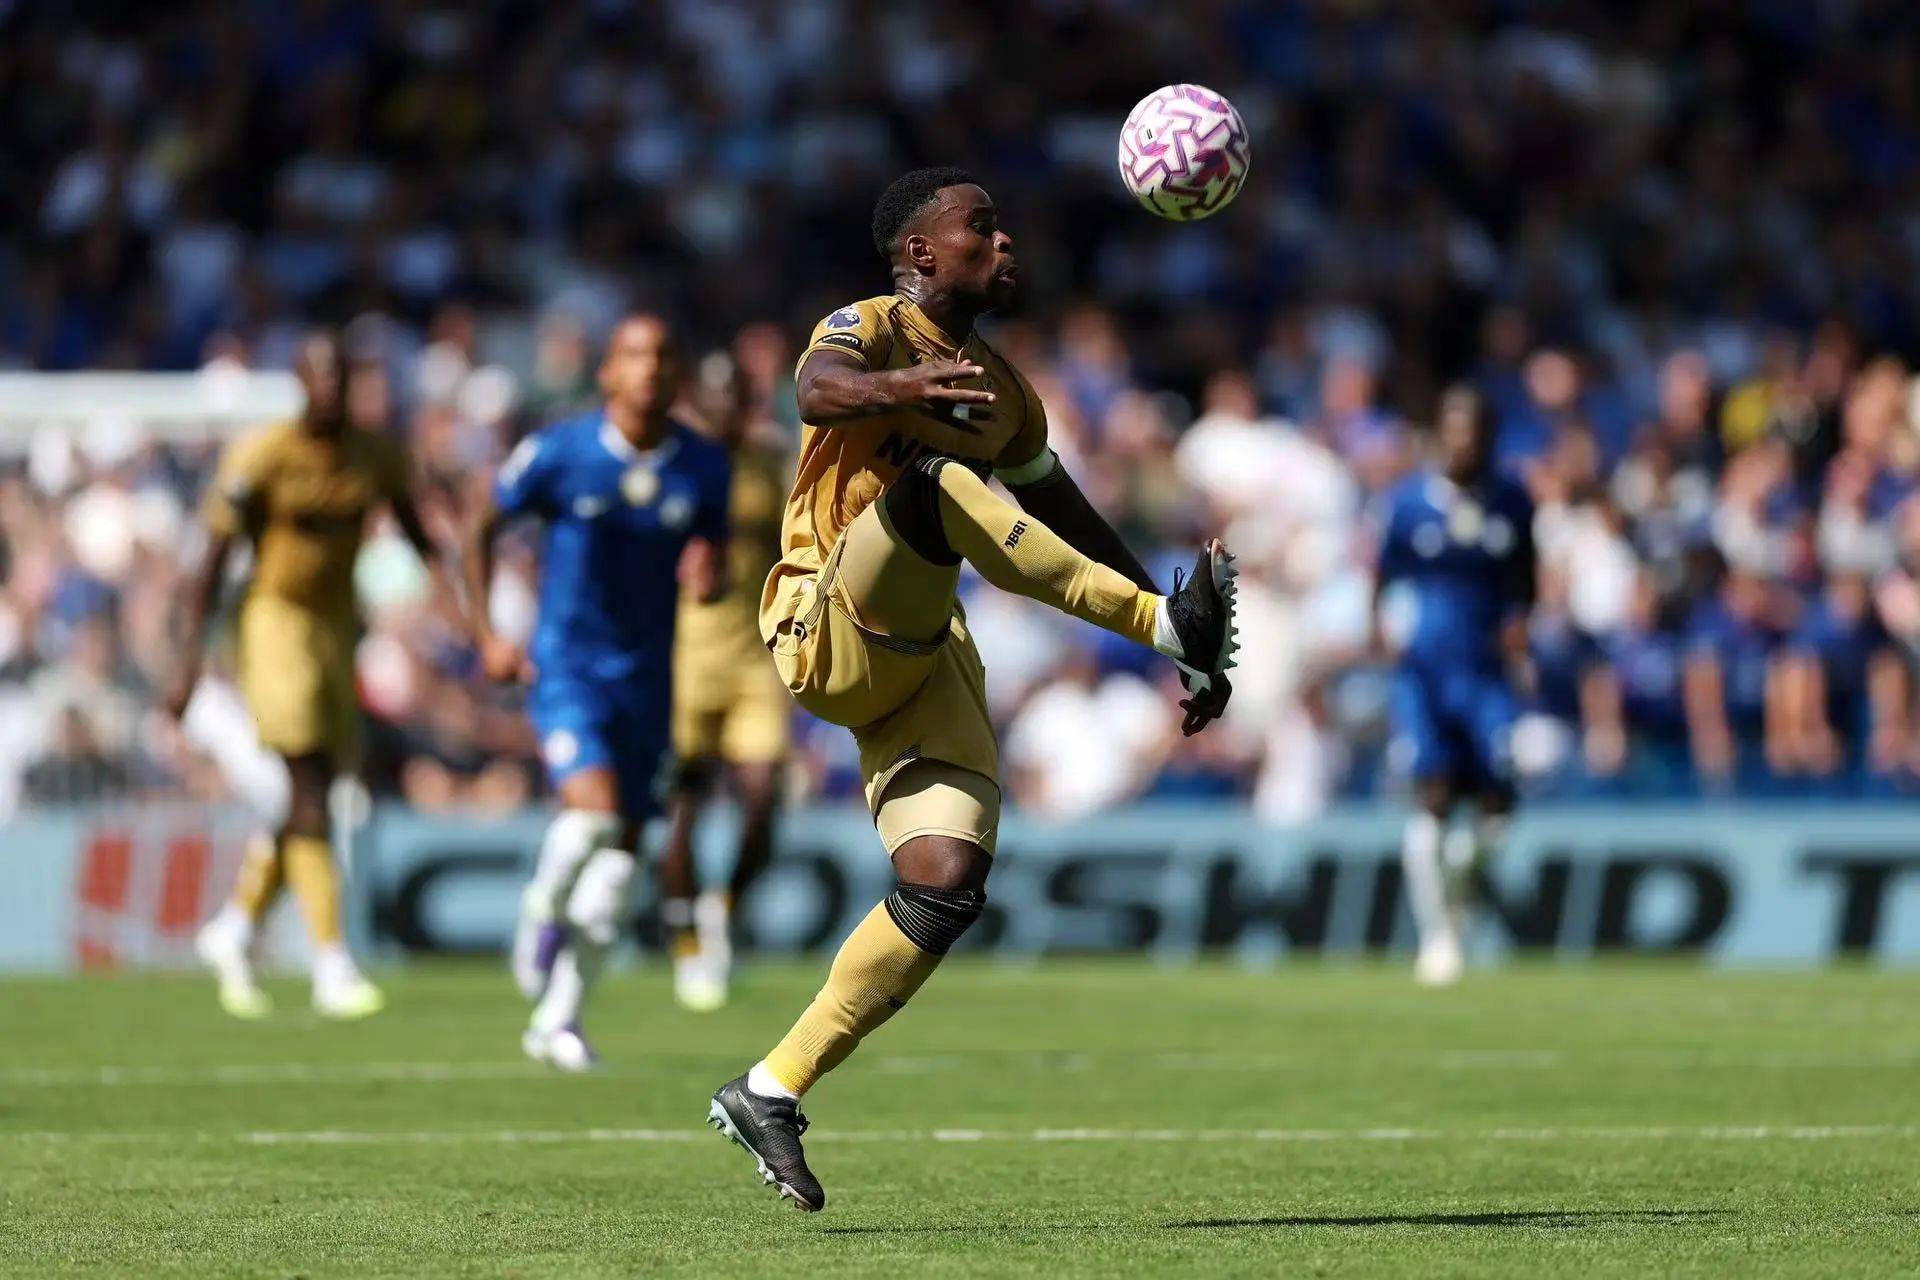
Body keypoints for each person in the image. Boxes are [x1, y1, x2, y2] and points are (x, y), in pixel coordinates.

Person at [704, 168, 1238, 1212]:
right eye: (980, 228)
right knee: (937, 488)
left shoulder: (1005, 390)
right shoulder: (868, 327)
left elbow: (1067, 511)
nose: (1004, 244)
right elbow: (813, 389)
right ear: (919, 254)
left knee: (946, 880)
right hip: (823, 615)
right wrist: (904, 392)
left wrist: (1180, 645)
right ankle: (1159, 622)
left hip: (921, 652)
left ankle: (770, 1085)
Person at [463, 313, 729, 1071]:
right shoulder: (561, 451)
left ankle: (560, 1020)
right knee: (592, 820)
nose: (650, 368)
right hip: (569, 669)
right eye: (635, 355)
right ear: (608, 372)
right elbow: (480, 521)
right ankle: (539, 908)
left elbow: (719, 553)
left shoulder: (704, 465)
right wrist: (487, 632)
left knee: (619, 869)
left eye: (664, 354)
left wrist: (713, 573)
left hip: (649, 682)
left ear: (677, 375)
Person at [171, 331, 439, 1020]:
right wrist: (189, 662)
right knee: (310, 783)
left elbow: (417, 533)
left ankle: (234, 926)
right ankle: (330, 963)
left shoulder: (373, 455)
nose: (326, 388)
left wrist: (467, 616)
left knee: (315, 789)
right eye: (315, 376)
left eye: (337, 377)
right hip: (273, 620)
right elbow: (211, 560)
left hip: (335, 627)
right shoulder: (263, 455)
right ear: (298, 380)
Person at [1373, 386, 1535, 987]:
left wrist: (1520, 634)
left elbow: (1526, 580)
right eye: (1454, 431)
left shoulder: (1513, 501)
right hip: (1425, 672)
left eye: (1475, 433)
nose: (1464, 443)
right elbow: (1381, 573)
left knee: (1495, 815)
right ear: (1439, 435)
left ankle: (1459, 900)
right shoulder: (1408, 503)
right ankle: (1437, 938)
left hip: (1488, 675)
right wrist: (1380, 630)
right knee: (1432, 798)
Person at [658, 350, 793, 1011]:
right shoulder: (670, 465)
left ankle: (724, 906)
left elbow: (795, 548)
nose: (722, 414)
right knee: (684, 806)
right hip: (683, 657)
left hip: (751, 655)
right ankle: (686, 943)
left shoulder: (768, 465)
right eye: (710, 402)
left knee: (765, 800)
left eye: (732, 401)